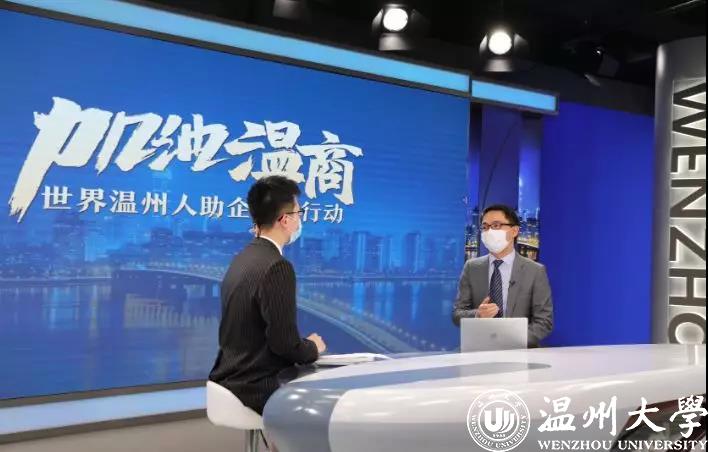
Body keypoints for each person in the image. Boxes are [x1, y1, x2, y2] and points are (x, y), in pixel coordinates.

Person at [209, 175, 326, 415]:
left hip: (229, 380)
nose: (300, 219)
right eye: (298, 213)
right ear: (285, 220)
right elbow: (285, 344)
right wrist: (312, 347)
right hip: (257, 388)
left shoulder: (242, 258)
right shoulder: (277, 266)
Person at [452, 204, 553, 347]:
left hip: (520, 352)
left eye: (496, 225)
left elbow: (544, 322)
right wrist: (477, 315)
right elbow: (457, 314)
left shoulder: (535, 271)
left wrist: (510, 340)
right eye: (485, 227)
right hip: (478, 350)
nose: (489, 231)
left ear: (514, 231)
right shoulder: (471, 267)